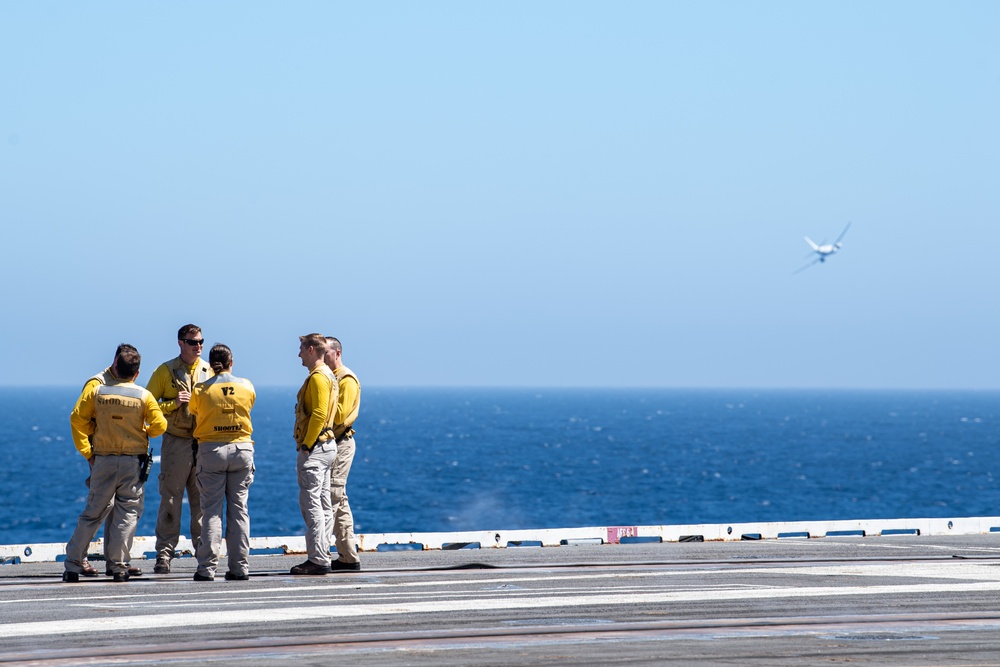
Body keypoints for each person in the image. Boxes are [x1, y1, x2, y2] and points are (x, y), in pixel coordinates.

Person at [64, 344, 166, 582]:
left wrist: (89, 446)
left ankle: (72, 564)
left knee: (92, 513)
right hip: (132, 462)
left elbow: (76, 418)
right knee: (127, 513)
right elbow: (160, 426)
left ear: (114, 367)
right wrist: (144, 429)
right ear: (137, 373)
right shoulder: (144, 396)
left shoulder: (97, 392)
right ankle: (119, 566)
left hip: (104, 460)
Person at [74, 349, 146, 578]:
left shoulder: (124, 383)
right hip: (102, 455)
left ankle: (118, 561)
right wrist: (88, 454)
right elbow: (78, 418)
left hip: (120, 455)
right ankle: (80, 559)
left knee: (122, 512)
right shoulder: (96, 384)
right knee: (100, 509)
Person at [146, 324, 212, 574]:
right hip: (176, 442)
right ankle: (164, 554)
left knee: (202, 501)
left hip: (203, 442)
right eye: (193, 342)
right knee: (170, 500)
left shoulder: (209, 370)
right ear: (180, 343)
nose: (199, 346)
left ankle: (204, 554)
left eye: (201, 341)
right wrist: (172, 405)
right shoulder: (165, 371)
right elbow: (148, 405)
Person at [188, 344, 256, 582]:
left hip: (212, 450)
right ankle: (240, 568)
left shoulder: (201, 389)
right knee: (239, 510)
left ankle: (207, 568)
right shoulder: (246, 386)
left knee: (211, 512)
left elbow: (194, 410)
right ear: (231, 361)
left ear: (210, 363)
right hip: (242, 448)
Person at [291, 333, 339, 575]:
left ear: (311, 349)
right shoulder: (328, 375)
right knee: (323, 505)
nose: (298, 353)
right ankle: (323, 554)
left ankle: (318, 559)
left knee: (312, 505)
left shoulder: (319, 377)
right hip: (327, 446)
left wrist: (307, 445)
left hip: (317, 448)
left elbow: (319, 414)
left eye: (301, 349)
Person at [323, 336, 362, 571]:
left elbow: (339, 417)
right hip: (333, 442)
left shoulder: (346, 379)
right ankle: (348, 556)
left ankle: (322, 553)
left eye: (325, 352)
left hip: (340, 442)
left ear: (337, 353)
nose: (321, 355)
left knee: (332, 496)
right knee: (340, 498)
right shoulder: (332, 378)